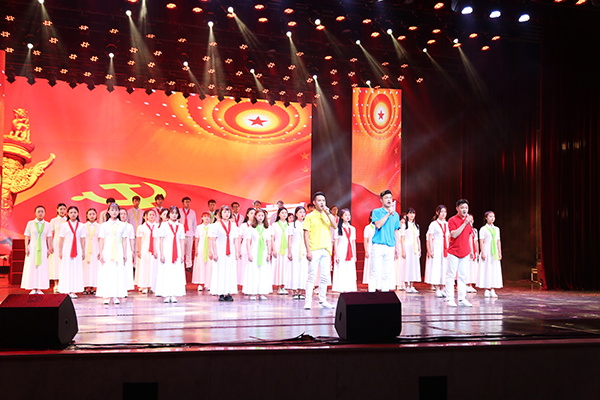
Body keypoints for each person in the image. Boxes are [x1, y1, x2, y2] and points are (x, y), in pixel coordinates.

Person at [303, 191, 338, 309]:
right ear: (314, 202)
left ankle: (323, 300)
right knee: (312, 276)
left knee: (324, 276)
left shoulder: (327, 215)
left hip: (326, 249)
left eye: (323, 200)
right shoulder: (309, 216)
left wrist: (328, 213)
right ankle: (308, 301)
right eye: (319, 200)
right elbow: (306, 234)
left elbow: (335, 226)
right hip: (314, 249)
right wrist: (308, 250)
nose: (322, 202)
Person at [369, 190, 401, 292]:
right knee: (375, 272)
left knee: (387, 274)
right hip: (378, 245)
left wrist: (397, 248)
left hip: (390, 246)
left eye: (390, 198)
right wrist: (388, 214)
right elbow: (378, 225)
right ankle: (371, 295)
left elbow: (396, 231)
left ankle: (385, 295)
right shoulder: (376, 212)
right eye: (386, 198)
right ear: (381, 200)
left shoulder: (396, 215)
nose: (389, 200)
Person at [444, 199, 474, 307]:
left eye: (466, 208)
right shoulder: (452, 220)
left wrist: (471, 250)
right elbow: (454, 234)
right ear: (457, 209)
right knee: (451, 275)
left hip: (465, 252)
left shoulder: (469, 221)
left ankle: (462, 299)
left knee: (463, 276)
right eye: (462, 208)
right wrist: (464, 223)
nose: (464, 210)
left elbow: (470, 236)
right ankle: (450, 299)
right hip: (454, 251)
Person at [97, 203, 128, 305]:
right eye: (112, 210)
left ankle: (115, 296)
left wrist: (125, 254)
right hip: (107, 251)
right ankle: (107, 296)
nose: (114, 212)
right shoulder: (104, 225)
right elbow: (101, 239)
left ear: (118, 212)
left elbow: (124, 240)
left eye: (116, 210)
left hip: (118, 251)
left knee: (117, 273)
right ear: (108, 212)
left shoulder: (123, 225)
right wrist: (101, 253)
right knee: (107, 273)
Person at [209, 205, 241, 301]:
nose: (226, 214)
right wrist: (214, 253)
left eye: (228, 212)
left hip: (230, 251)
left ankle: (228, 292)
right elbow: (213, 240)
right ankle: (221, 293)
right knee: (220, 271)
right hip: (220, 250)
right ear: (221, 213)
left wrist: (237, 252)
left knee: (230, 271)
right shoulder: (216, 225)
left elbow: (235, 239)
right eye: (224, 212)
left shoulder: (233, 225)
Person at [157, 206, 186, 303]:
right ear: (169, 214)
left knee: (176, 273)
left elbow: (182, 240)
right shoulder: (164, 225)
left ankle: (173, 294)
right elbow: (161, 240)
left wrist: (182, 254)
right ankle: (166, 294)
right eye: (172, 213)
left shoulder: (180, 226)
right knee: (167, 273)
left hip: (177, 251)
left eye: (176, 213)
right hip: (167, 251)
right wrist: (161, 253)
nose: (174, 215)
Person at [21, 205, 53, 294]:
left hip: (43, 248)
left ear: (45, 213)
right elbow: (26, 236)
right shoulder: (30, 223)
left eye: (42, 211)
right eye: (38, 211)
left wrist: (49, 248)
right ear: (35, 213)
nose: (40, 213)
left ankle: (40, 288)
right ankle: (33, 288)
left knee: (42, 268)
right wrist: (26, 247)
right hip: (32, 248)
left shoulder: (47, 224)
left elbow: (49, 237)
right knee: (32, 267)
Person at [243, 208, 273, 300]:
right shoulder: (251, 228)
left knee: (263, 272)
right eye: (259, 215)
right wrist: (249, 254)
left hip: (263, 252)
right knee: (254, 271)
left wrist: (269, 253)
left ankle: (261, 293)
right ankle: (253, 292)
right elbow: (247, 242)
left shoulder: (267, 228)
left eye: (262, 216)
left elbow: (269, 241)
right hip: (254, 251)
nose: (261, 217)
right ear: (255, 216)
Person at [58, 206, 86, 298]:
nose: (73, 214)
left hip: (77, 248)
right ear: (68, 214)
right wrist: (60, 251)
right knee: (67, 268)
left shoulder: (81, 226)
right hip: (67, 248)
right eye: (71, 212)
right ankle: (67, 289)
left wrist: (83, 251)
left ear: (78, 214)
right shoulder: (64, 225)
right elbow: (61, 239)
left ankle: (74, 290)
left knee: (76, 268)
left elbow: (83, 239)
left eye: (75, 212)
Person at [424, 205, 449, 298]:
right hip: (437, 247)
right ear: (437, 212)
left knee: (445, 268)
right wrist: (430, 250)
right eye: (441, 212)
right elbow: (430, 237)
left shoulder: (447, 224)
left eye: (445, 212)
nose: (443, 214)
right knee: (437, 267)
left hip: (445, 248)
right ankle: (437, 288)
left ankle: (443, 288)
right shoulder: (433, 224)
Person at [477, 211, 503, 298]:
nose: (492, 218)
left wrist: (499, 252)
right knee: (486, 269)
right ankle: (486, 289)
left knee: (494, 270)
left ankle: (492, 289)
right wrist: (482, 252)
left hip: (494, 252)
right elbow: (481, 241)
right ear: (486, 218)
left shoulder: (497, 229)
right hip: (487, 250)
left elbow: (498, 241)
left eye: (493, 217)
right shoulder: (483, 229)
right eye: (490, 216)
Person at [333, 208, 357, 293]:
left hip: (350, 252)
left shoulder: (352, 228)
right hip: (341, 251)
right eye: (345, 215)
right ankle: (341, 287)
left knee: (350, 269)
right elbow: (336, 242)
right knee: (341, 269)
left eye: (349, 215)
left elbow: (353, 242)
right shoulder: (338, 229)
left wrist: (355, 254)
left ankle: (349, 287)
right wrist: (336, 255)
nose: (348, 216)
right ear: (342, 217)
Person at [286, 206, 308, 300]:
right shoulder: (292, 225)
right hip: (295, 249)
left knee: (303, 270)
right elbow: (290, 239)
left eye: (303, 212)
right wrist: (289, 252)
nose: (302, 214)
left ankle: (301, 291)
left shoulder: (307, 224)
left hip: (304, 250)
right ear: (296, 214)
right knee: (294, 270)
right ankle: (294, 291)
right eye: (300, 212)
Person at [136, 210, 159, 295]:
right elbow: (139, 240)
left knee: (153, 267)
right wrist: (139, 250)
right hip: (145, 249)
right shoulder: (142, 227)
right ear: (146, 216)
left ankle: (153, 286)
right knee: (145, 267)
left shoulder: (157, 226)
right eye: (150, 215)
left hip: (155, 250)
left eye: (153, 215)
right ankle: (144, 286)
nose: (152, 216)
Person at [48, 203, 67, 292]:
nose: (62, 211)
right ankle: (56, 284)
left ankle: (65, 284)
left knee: (65, 262)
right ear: (57, 210)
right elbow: (50, 233)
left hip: (66, 243)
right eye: (60, 209)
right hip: (56, 243)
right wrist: (50, 245)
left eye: (64, 209)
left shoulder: (68, 220)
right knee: (56, 263)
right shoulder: (54, 221)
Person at [402, 208, 421, 293]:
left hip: (414, 248)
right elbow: (402, 238)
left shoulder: (416, 226)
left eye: (413, 213)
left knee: (414, 266)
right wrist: (403, 250)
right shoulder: (404, 225)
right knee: (407, 266)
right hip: (407, 247)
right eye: (410, 213)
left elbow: (417, 238)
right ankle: (407, 285)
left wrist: (419, 249)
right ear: (407, 215)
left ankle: (412, 285)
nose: (412, 215)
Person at [272, 207, 290, 295]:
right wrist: (273, 249)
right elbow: (272, 238)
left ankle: (284, 286)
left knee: (286, 267)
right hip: (277, 247)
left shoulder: (290, 225)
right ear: (279, 214)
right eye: (282, 213)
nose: (284, 214)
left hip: (286, 249)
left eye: (285, 213)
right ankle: (279, 286)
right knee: (278, 267)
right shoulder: (275, 225)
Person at [193, 212, 213, 291]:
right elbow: (197, 239)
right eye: (205, 216)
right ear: (202, 218)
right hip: (201, 248)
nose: (207, 218)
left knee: (209, 266)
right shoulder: (199, 227)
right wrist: (196, 249)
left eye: (208, 216)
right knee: (200, 265)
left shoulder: (212, 227)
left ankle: (208, 284)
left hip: (210, 248)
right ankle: (200, 283)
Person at [237, 208, 256, 288]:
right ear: (247, 214)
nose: (253, 215)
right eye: (251, 213)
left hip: (254, 246)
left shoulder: (257, 225)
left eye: (254, 213)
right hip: (245, 246)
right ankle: (244, 283)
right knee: (244, 265)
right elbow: (239, 238)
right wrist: (238, 250)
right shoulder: (243, 225)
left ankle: (252, 283)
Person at [83, 208, 100, 295]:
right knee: (85, 267)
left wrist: (100, 251)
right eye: (90, 214)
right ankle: (85, 287)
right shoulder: (83, 226)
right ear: (87, 215)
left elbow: (101, 239)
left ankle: (93, 287)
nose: (92, 216)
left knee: (94, 267)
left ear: (96, 215)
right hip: (86, 248)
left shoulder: (99, 226)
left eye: (93, 214)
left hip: (95, 248)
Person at [120, 208, 136, 293]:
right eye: (121, 214)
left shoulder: (129, 226)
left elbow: (132, 238)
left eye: (124, 214)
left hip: (127, 248)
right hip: (118, 247)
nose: (123, 215)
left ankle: (126, 287)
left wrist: (132, 250)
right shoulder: (116, 225)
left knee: (127, 267)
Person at [179, 196, 197, 270]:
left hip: (189, 233)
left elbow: (194, 224)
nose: (187, 203)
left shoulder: (192, 212)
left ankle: (188, 265)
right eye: (186, 202)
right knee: (181, 250)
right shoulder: (179, 211)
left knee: (189, 251)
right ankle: (180, 263)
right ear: (183, 203)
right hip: (181, 234)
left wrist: (194, 234)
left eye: (188, 202)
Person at [467, 214, 479, 293]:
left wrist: (477, 252)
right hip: (467, 250)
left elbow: (476, 241)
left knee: (472, 268)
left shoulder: (474, 230)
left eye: (472, 219)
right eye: (469, 219)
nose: (471, 220)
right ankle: (466, 284)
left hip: (473, 250)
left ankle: (470, 285)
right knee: (467, 268)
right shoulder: (465, 229)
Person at [362, 212, 375, 285]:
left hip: (377, 248)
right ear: (370, 217)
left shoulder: (379, 226)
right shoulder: (367, 227)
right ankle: (370, 282)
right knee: (369, 265)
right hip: (370, 248)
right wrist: (366, 251)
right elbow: (365, 240)